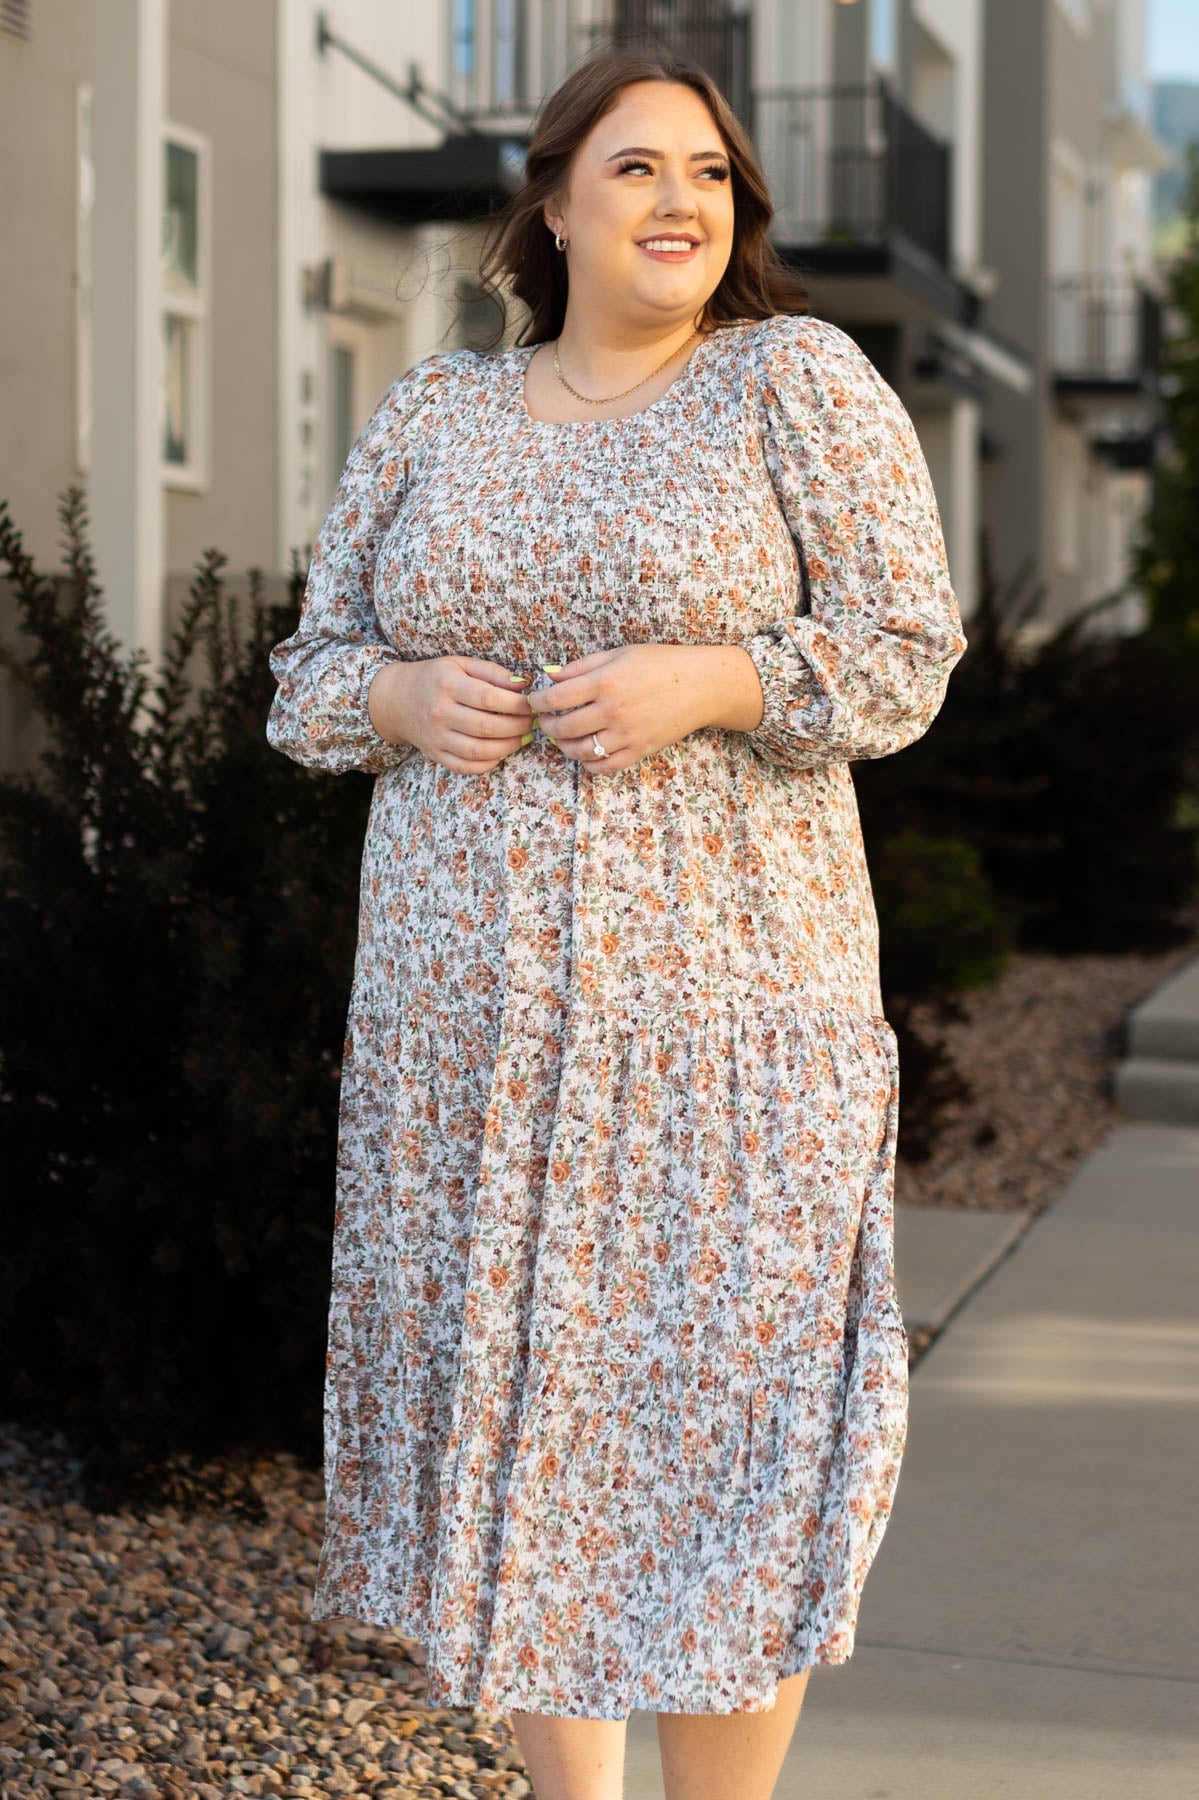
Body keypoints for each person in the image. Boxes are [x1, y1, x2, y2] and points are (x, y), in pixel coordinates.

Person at [265, 43, 967, 1800]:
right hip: (467, 1030)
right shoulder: (432, 416)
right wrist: (403, 703)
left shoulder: (792, 383)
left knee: (719, 1438)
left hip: (728, 1026)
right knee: (520, 1435)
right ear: (554, 199)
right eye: (641, 168)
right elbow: (305, 675)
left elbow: (906, 650)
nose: (682, 203)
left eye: (712, 176)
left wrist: (717, 677)